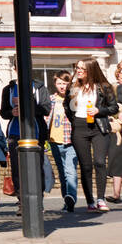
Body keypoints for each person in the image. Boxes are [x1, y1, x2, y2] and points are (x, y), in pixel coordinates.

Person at [66, 58, 118, 211]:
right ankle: (90, 201)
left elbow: (113, 107)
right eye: (78, 67)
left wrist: (99, 111)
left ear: (91, 69)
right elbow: (67, 108)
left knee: (100, 162)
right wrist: (75, 121)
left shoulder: (104, 87)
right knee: (86, 166)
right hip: (80, 128)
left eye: (82, 68)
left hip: (98, 127)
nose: (79, 70)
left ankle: (101, 199)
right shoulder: (73, 87)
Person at [0, 72, 52, 206]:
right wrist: (12, 112)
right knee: (17, 169)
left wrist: (27, 106)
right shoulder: (9, 89)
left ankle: (38, 200)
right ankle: (22, 201)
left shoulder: (39, 87)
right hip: (15, 133)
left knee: (37, 166)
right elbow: (3, 112)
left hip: (36, 131)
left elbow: (46, 109)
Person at [48, 71, 79, 212]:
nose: (62, 86)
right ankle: (67, 200)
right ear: (55, 84)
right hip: (55, 140)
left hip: (71, 141)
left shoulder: (74, 100)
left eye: (65, 83)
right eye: (59, 83)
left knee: (70, 171)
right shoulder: (50, 100)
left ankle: (71, 197)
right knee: (62, 173)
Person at [108, 60, 122, 203]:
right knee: (117, 160)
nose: (121, 72)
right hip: (120, 131)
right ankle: (116, 195)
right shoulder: (116, 89)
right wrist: (117, 115)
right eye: (120, 69)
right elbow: (110, 108)